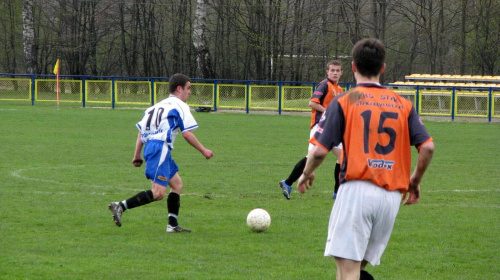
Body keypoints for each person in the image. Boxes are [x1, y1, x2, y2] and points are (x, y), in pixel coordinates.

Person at [297, 38, 434, 279]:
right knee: (356, 269)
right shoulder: (403, 103)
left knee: (346, 271)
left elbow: (319, 151)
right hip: (391, 197)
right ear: (383, 68)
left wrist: (306, 173)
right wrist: (415, 180)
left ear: (352, 67)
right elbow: (428, 147)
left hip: (357, 190)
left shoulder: (345, 99)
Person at [108, 73, 214, 233]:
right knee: (158, 193)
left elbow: (141, 133)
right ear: (179, 89)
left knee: (177, 184)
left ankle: (172, 225)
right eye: (188, 88)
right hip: (160, 147)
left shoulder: (155, 107)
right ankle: (121, 206)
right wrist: (204, 150)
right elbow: (187, 134)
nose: (190, 92)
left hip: (154, 146)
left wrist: (137, 154)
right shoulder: (180, 106)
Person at [279, 60, 343, 200]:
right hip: (320, 126)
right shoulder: (324, 85)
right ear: (327, 71)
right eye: (332, 70)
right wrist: (328, 113)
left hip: (331, 128)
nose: (335, 73)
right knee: (312, 159)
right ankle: (288, 182)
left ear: (341, 72)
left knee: (343, 158)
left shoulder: (339, 89)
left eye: (338, 70)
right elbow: (312, 102)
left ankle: (337, 192)